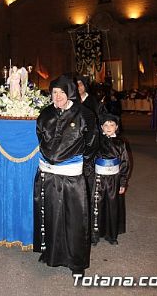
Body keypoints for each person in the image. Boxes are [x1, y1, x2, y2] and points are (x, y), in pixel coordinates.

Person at [33, 74, 98, 279]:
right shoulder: (45, 114)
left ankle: (76, 262)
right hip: (49, 174)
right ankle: (51, 253)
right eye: (54, 92)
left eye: (61, 92)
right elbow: (40, 138)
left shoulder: (84, 114)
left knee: (75, 218)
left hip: (71, 175)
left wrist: (76, 160)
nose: (58, 96)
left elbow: (92, 142)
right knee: (51, 214)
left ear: (70, 92)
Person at [91, 113, 130, 246]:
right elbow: (90, 159)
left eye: (112, 125)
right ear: (101, 127)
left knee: (112, 206)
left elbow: (125, 162)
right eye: (106, 125)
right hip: (98, 178)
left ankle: (111, 234)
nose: (108, 127)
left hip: (114, 179)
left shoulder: (121, 143)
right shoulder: (96, 141)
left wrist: (123, 181)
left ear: (116, 127)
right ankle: (95, 234)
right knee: (97, 205)